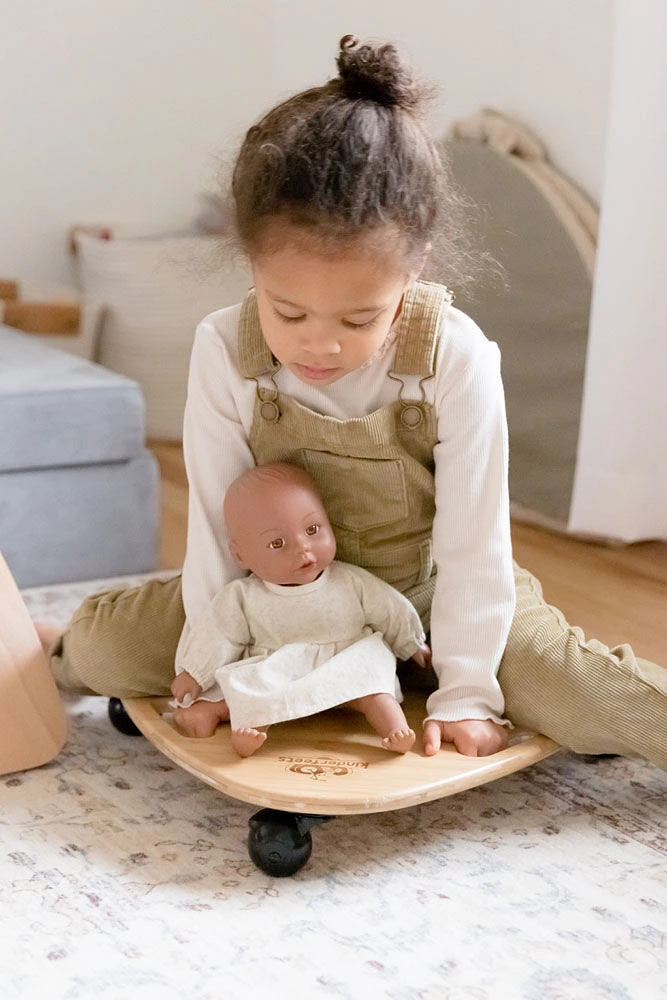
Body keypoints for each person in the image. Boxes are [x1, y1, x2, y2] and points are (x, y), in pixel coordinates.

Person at [44, 35, 666, 769]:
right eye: (289, 312)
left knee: (576, 689)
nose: (319, 347)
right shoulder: (224, 348)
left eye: (358, 319)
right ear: (250, 261)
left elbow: (474, 547)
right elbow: (218, 536)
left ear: (415, 269)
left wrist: (467, 691)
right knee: (109, 649)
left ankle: (414, 669)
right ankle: (59, 639)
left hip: (429, 597)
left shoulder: (455, 356)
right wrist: (214, 675)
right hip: (278, 599)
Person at [170, 462, 430, 756]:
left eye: (312, 529)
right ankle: (240, 727)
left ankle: (395, 730)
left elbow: (388, 608)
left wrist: (411, 642)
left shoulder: (350, 580)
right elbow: (220, 633)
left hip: (347, 662)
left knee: (376, 686)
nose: (303, 548)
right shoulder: (244, 596)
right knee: (252, 691)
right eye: (277, 543)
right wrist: (195, 673)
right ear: (240, 554)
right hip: (281, 669)